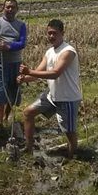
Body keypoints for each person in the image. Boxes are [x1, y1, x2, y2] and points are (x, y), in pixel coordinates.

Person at [18, 19, 82, 156]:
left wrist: (29, 72)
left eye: (54, 33)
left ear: (62, 33)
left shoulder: (68, 51)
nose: (51, 36)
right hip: (52, 95)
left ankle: (72, 155)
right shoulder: (49, 52)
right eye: (49, 33)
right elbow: (37, 74)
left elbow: (55, 74)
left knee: (69, 132)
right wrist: (24, 79)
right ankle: (28, 148)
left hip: (67, 98)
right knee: (28, 113)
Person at [0, 0, 27, 132]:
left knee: (13, 92)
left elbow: (22, 43)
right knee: (0, 93)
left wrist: (10, 46)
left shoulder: (21, 25)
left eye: (13, 7)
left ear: (17, 10)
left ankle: (7, 117)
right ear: (3, 8)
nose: (10, 10)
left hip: (15, 63)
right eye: (8, 7)